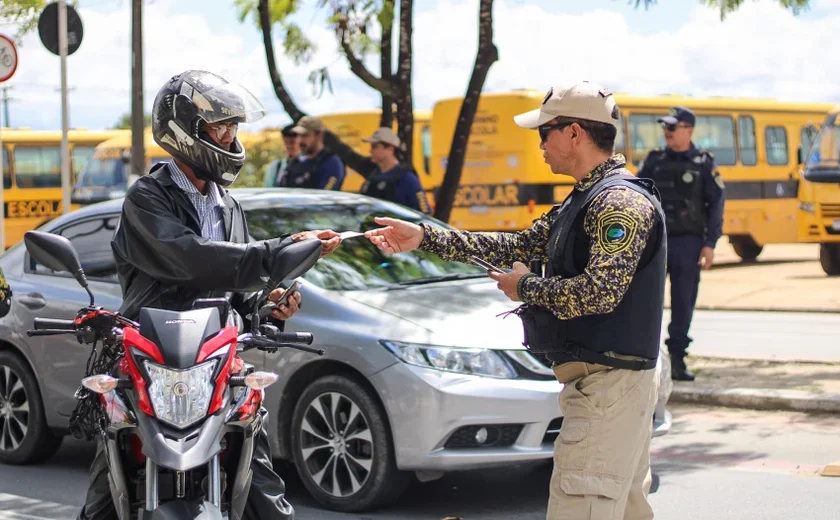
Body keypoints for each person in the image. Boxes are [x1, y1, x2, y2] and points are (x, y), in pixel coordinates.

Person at [365, 81, 666, 520]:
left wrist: (525, 288)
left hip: (609, 387)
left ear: (575, 133)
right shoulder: (586, 197)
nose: (541, 144)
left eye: (545, 132)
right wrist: (425, 237)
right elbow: (517, 246)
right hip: (603, 384)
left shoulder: (618, 202)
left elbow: (599, 294)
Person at [77, 70, 342, 520]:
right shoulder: (147, 198)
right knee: (109, 484)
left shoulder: (228, 206)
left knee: (259, 474)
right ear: (184, 132)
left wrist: (267, 305)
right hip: (152, 358)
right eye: (219, 127)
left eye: (233, 127)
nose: (229, 136)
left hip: (215, 361)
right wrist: (277, 251)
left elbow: (232, 293)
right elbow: (193, 259)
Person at [636, 106, 725, 381]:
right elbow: (636, 196)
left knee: (683, 303)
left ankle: (677, 359)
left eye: (672, 128)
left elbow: (716, 205)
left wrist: (710, 243)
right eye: (665, 128)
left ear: (689, 130)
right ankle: (644, 358)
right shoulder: (653, 161)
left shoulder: (703, 162)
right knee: (646, 302)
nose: (667, 133)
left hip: (689, 243)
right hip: (656, 243)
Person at [359, 127, 431, 214]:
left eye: (375, 147)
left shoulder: (407, 178)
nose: (370, 151)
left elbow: (424, 212)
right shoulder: (373, 177)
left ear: (390, 149)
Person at [281, 115, 346, 190]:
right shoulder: (296, 162)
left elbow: (325, 195)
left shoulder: (331, 162)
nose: (300, 141)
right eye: (299, 135)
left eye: (305, 135)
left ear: (319, 135)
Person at [264, 123, 305, 188]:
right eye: (286, 142)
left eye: (292, 142)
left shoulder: (307, 165)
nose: (289, 146)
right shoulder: (276, 167)